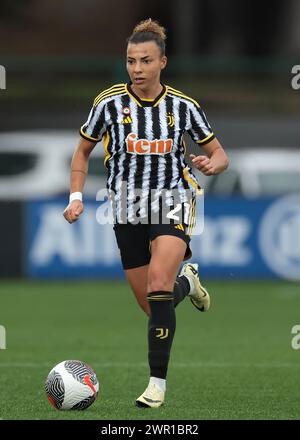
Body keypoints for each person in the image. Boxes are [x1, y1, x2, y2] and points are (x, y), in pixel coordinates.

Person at [63, 18, 229, 408]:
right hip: (124, 206)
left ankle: (157, 385)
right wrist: (75, 195)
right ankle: (188, 281)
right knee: (154, 305)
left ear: (163, 62)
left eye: (145, 61)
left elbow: (220, 154)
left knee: (157, 282)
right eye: (131, 61)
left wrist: (211, 165)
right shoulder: (108, 103)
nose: (137, 69)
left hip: (174, 198)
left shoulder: (184, 107)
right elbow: (82, 152)